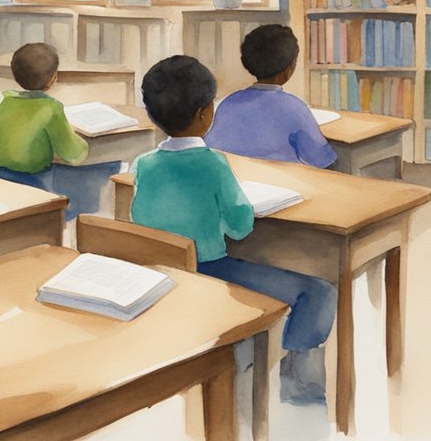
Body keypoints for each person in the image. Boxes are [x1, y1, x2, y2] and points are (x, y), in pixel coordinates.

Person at [131, 55, 336, 403]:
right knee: (319, 291)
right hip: (209, 272)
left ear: (152, 115)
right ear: (205, 113)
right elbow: (240, 227)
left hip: (163, 272)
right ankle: (300, 387)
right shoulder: (213, 163)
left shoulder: (144, 165)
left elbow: (141, 218)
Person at [0, 43, 92, 216]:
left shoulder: (3, 101)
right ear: (53, 78)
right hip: (34, 183)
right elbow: (72, 153)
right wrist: (84, 144)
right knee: (86, 176)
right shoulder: (51, 108)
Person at [205, 24, 336, 167]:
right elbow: (322, 160)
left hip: (235, 180)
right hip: (281, 184)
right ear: (290, 68)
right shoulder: (294, 108)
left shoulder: (228, 103)